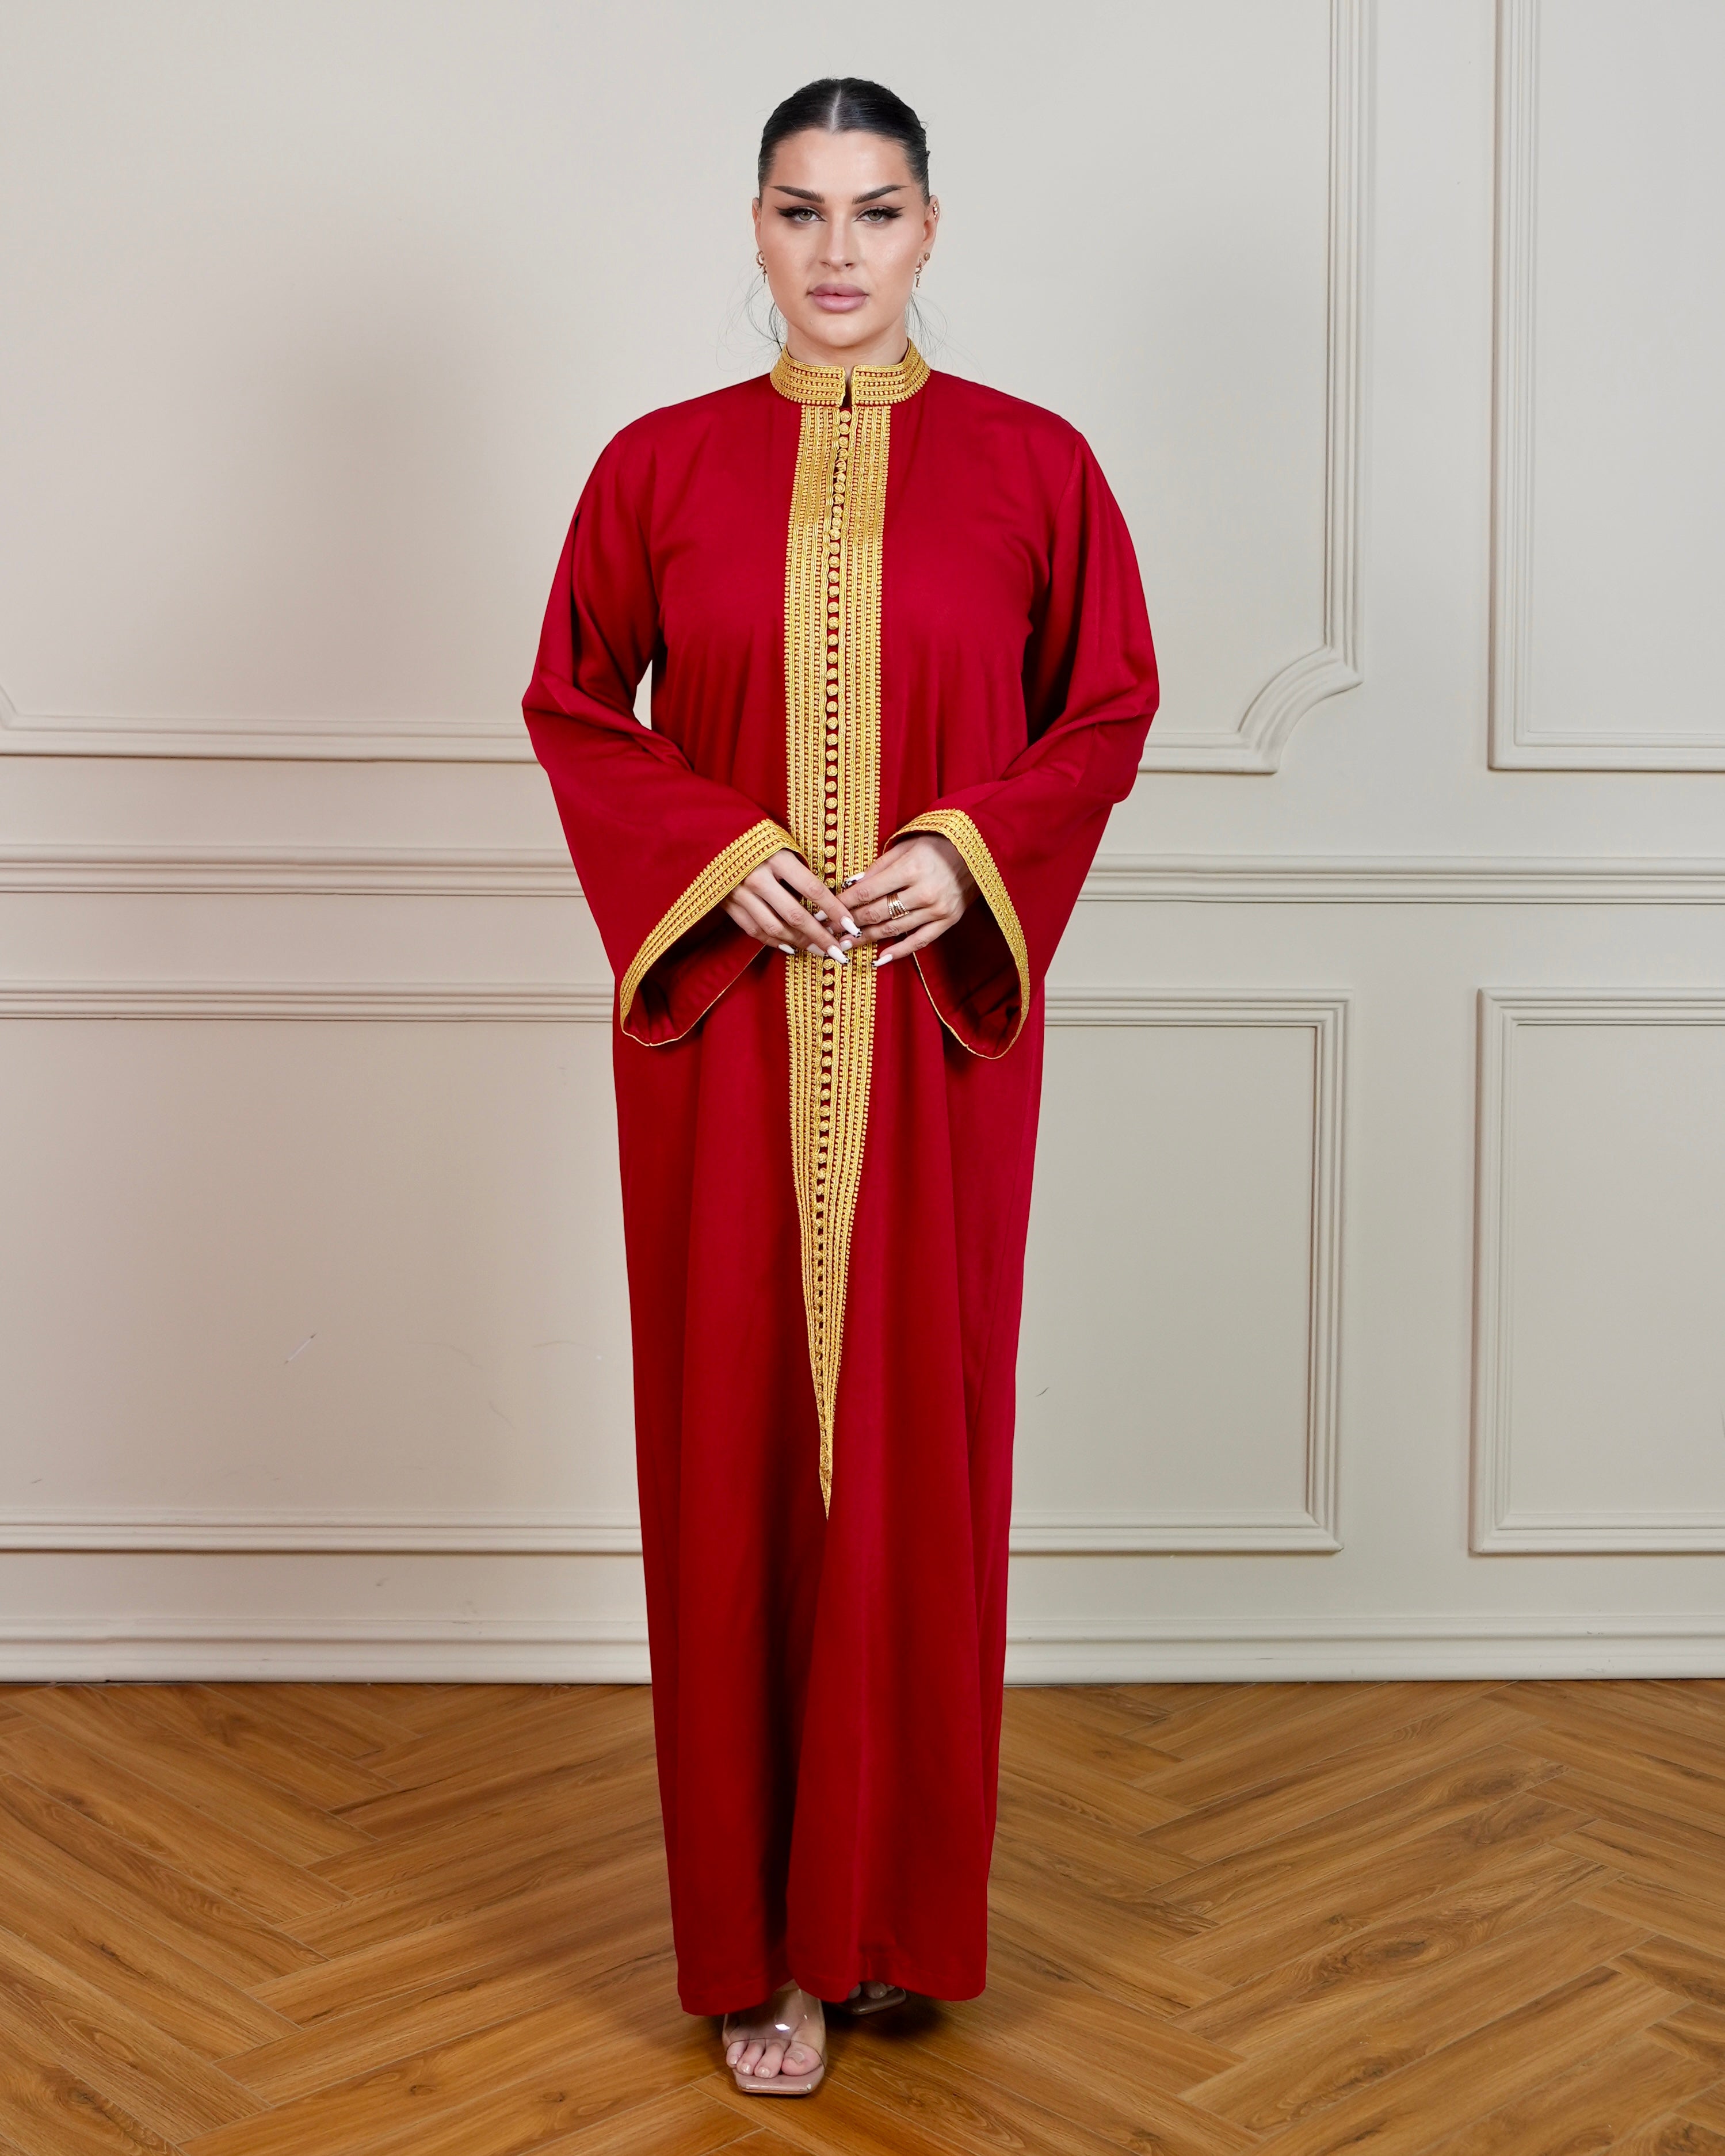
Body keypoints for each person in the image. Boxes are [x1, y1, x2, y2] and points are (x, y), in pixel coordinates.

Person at [523, 76, 1159, 2098]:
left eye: (875, 212)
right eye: (801, 211)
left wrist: (966, 852)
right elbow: (575, 704)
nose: (837, 251)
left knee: (915, 1456)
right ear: (756, 225)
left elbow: (1105, 711)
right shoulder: (658, 467)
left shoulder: (1038, 468)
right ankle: (760, 1953)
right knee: (732, 1461)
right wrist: (723, 855)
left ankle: (883, 1923)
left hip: (932, 1040)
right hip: (727, 1038)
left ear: (930, 229)